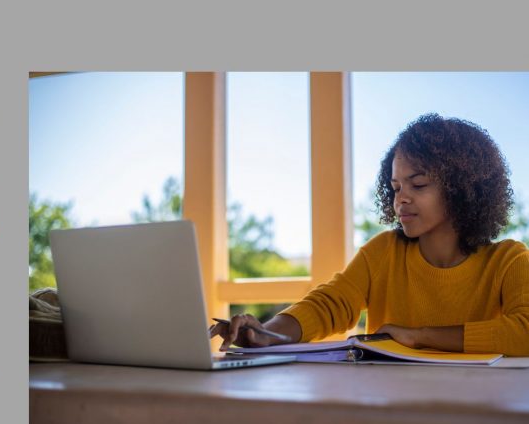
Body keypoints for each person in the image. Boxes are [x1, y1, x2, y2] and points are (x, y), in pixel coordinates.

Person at [210, 113, 529, 356]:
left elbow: (524, 331)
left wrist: (418, 336)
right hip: (387, 406)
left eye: (417, 185)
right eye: (395, 187)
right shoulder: (384, 252)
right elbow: (328, 304)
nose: (400, 198)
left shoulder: (508, 261)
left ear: (462, 189)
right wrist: (265, 333)